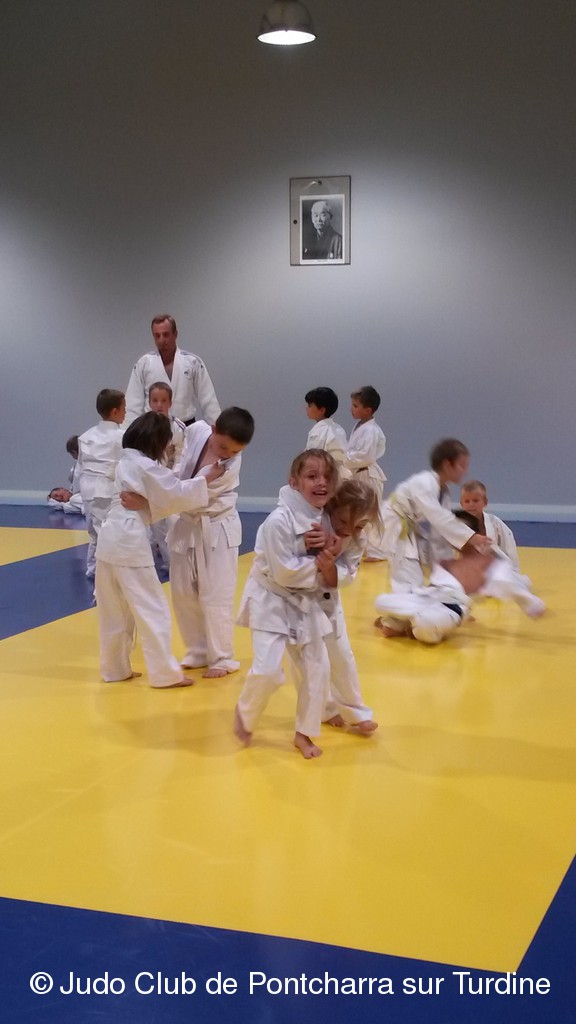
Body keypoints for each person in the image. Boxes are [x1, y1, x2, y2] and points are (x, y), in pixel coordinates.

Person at [95, 412, 224, 688]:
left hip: (108, 540)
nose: (168, 448)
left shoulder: (126, 461)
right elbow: (175, 493)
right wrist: (206, 478)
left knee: (114, 610)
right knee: (152, 608)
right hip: (128, 541)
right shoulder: (145, 466)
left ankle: (114, 669)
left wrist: (146, 504)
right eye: (167, 442)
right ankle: (165, 674)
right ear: (156, 441)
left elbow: (160, 497)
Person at [234, 450, 345, 759]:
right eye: (312, 476)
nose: (321, 483)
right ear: (294, 482)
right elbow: (285, 571)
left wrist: (329, 555)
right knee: (268, 671)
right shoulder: (278, 522)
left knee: (317, 668)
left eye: (327, 477)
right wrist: (321, 563)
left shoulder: (325, 518)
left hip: (304, 600)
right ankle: (245, 713)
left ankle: (304, 733)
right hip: (271, 596)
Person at [168, 407, 255, 677]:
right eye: (223, 447)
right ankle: (197, 650)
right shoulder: (196, 431)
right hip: (187, 522)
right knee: (183, 591)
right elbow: (176, 448)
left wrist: (163, 493)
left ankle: (222, 657)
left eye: (236, 451)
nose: (228, 454)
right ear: (214, 429)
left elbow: (191, 493)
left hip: (217, 525)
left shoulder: (229, 465)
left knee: (216, 593)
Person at [374, 511, 545, 644]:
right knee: (382, 601)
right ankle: (405, 621)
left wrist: (533, 604)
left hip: (449, 609)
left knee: (424, 624)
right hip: (425, 599)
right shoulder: (449, 560)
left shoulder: (489, 564)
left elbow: (511, 585)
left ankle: (408, 622)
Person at [311, 479, 381, 734]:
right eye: (343, 521)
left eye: (359, 525)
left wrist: (329, 566)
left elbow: (345, 577)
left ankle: (356, 712)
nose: (349, 530)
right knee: (313, 661)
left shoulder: (357, 540)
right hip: (297, 600)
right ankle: (325, 709)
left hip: (328, 597)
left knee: (342, 655)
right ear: (332, 506)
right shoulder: (314, 522)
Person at [381, 438, 492, 592]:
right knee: (408, 577)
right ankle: (395, 606)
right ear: (447, 465)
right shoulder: (423, 483)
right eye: (462, 466)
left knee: (431, 575)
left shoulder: (443, 490)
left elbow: (440, 530)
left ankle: (434, 593)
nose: (465, 471)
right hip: (395, 526)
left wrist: (445, 567)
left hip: (412, 530)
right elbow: (440, 519)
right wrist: (471, 537)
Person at [124, 314, 221, 427]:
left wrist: (219, 429)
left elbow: (208, 400)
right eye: (157, 336)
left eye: (166, 335)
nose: (161, 340)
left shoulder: (193, 362)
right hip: (153, 428)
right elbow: (132, 405)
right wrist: (126, 434)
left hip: (186, 426)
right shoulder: (143, 364)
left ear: (175, 334)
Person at [78, 390, 126, 578]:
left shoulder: (85, 436)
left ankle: (93, 569)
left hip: (87, 490)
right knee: (107, 533)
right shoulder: (121, 437)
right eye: (124, 408)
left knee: (94, 533)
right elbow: (126, 464)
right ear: (115, 411)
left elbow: (80, 466)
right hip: (106, 490)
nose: (125, 412)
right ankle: (106, 573)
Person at [147, 381, 187, 572]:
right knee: (153, 526)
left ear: (170, 403)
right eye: (155, 400)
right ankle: (153, 561)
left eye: (163, 401)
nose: (159, 405)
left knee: (172, 521)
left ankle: (174, 563)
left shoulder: (178, 427)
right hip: (149, 482)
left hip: (171, 480)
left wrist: (171, 477)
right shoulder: (143, 427)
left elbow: (181, 457)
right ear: (149, 402)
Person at [344, 386, 387, 560]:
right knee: (359, 513)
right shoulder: (360, 426)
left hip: (368, 474)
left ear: (368, 410)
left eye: (355, 406)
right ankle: (362, 548)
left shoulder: (371, 430)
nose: (351, 409)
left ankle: (377, 551)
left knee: (371, 513)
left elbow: (366, 456)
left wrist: (344, 458)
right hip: (359, 474)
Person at [460, 480, 521, 570]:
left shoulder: (495, 523)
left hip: (496, 569)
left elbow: (509, 548)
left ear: (485, 502)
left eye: (475, 501)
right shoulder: (458, 526)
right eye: (467, 501)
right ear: (461, 504)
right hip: (467, 570)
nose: (471, 504)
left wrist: (514, 571)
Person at [304, 386, 349, 474]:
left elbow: (314, 457)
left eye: (310, 406)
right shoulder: (338, 429)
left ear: (322, 410)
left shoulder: (318, 431)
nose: (306, 408)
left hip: (328, 473)